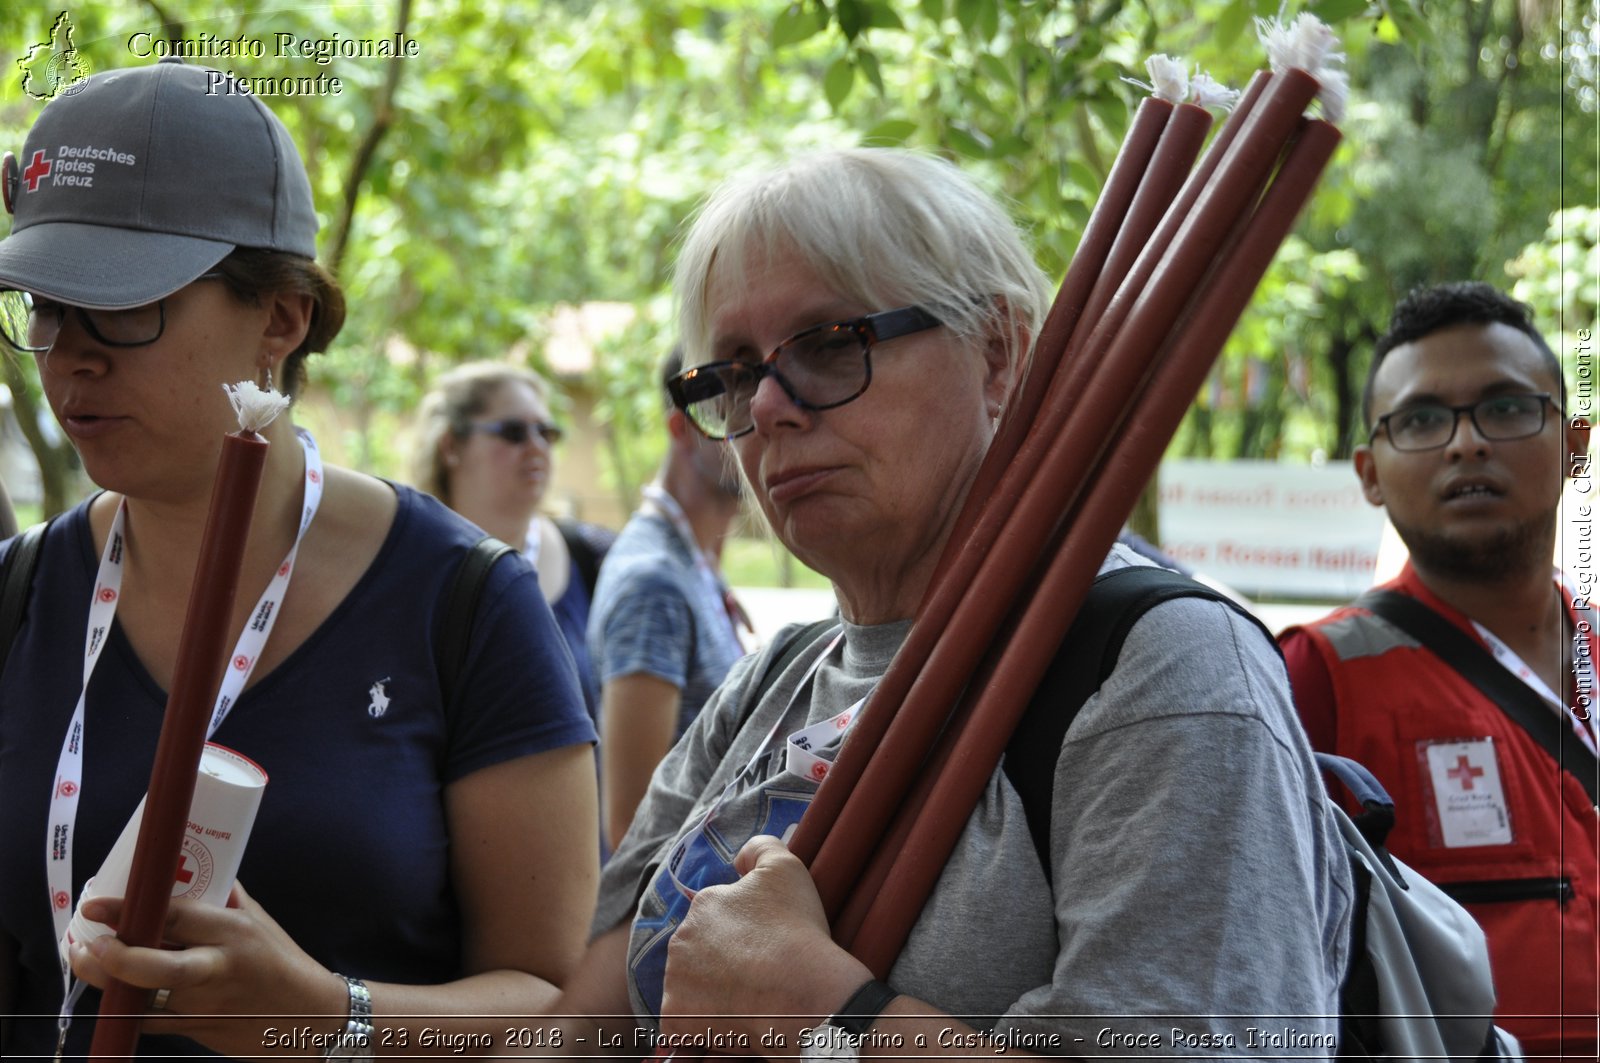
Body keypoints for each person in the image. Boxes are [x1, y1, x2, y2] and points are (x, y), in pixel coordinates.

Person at [552, 147, 1352, 1058]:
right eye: (734, 372)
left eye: (826, 344)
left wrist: (833, 1016)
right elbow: (584, 1019)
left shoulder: (1160, 669)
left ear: (1000, 353)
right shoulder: (776, 675)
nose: (770, 406)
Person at [0, 60, 599, 1060]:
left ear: (283, 317)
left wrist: (324, 1014)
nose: (70, 358)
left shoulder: (464, 605)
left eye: (122, 307)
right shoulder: (20, 596)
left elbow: (562, 1004)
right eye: (46, 308)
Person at [1280, 281, 1598, 1058]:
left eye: (1507, 407)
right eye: (1422, 419)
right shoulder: (1314, 677)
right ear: (1369, 472)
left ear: (1574, 445)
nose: (1465, 443)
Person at [588, 346, 748, 851]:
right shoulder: (652, 585)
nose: (762, 428)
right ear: (681, 429)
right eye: (732, 417)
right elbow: (632, 831)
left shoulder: (695, 561)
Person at [414, 361, 614, 719]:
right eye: (513, 432)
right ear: (450, 446)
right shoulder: (413, 567)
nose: (537, 446)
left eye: (546, 432)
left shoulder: (593, 555)